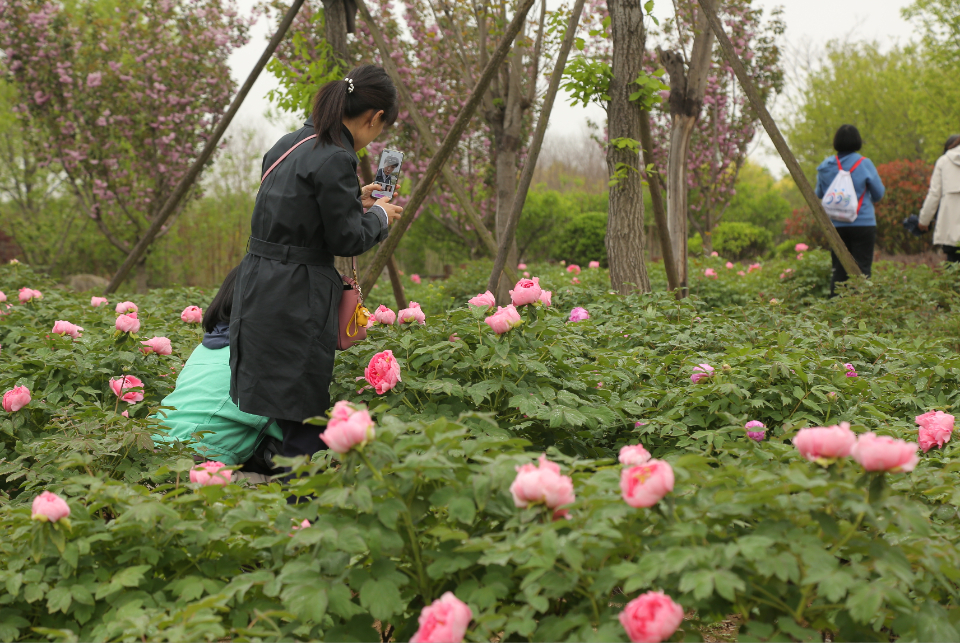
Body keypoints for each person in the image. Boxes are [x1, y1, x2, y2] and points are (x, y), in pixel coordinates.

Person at [230, 64, 403, 468]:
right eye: (380, 128)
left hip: (259, 283)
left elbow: (296, 208)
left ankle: (271, 475)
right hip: (295, 293)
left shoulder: (289, 143)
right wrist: (378, 215)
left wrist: (351, 199)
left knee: (283, 398)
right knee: (304, 406)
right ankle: (300, 510)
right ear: (374, 118)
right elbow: (346, 239)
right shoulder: (336, 156)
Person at [155, 266, 283, 473]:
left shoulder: (204, 347)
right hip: (195, 466)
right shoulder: (265, 358)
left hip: (150, 444)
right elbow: (293, 434)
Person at [815, 124, 886, 295]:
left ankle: (835, 312)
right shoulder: (864, 163)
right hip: (863, 224)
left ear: (836, 141)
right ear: (857, 141)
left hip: (836, 226)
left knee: (839, 270)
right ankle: (861, 311)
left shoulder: (826, 166)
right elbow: (879, 194)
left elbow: (819, 193)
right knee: (862, 270)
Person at [918, 134, 960, 262]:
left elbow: (934, 194)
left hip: (951, 231)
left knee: (953, 271)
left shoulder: (944, 161)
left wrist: (924, 220)